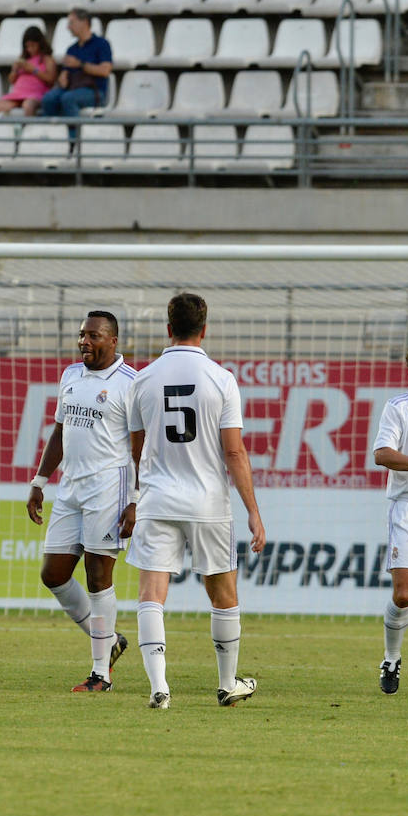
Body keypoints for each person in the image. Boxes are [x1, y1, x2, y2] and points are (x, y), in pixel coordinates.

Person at [124, 293, 265, 710]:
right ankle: (226, 683)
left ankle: (159, 687)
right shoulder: (221, 379)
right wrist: (253, 512)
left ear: (168, 328)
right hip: (208, 503)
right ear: (205, 330)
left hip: (157, 500)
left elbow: (136, 449)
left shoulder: (142, 380)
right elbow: (234, 452)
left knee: (151, 593)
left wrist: (141, 492)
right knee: (223, 593)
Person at [27, 311, 135, 692]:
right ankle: (110, 641)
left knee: (98, 577)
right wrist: (40, 481)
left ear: (113, 341)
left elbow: (142, 448)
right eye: (81, 335)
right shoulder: (71, 375)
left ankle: (100, 673)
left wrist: (135, 501)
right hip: (70, 488)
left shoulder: (130, 383)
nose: (84, 342)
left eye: (93, 336)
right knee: (53, 574)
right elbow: (60, 431)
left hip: (109, 488)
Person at [41, 9, 113, 119]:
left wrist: (80, 64)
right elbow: (64, 75)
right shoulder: (72, 49)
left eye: (71, 23)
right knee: (48, 99)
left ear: (84, 22)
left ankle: (74, 130)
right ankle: (52, 128)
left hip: (94, 91)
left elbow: (105, 71)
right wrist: (63, 77)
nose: (68, 27)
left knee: (68, 98)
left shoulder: (102, 44)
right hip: (72, 88)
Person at [0, 26, 58, 117]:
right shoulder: (23, 59)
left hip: (36, 94)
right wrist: (14, 70)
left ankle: (29, 126)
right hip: (18, 94)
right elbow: (11, 80)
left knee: (28, 105)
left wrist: (33, 70)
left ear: (40, 43)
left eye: (33, 45)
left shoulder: (47, 59)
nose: (30, 49)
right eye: (27, 46)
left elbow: (51, 80)